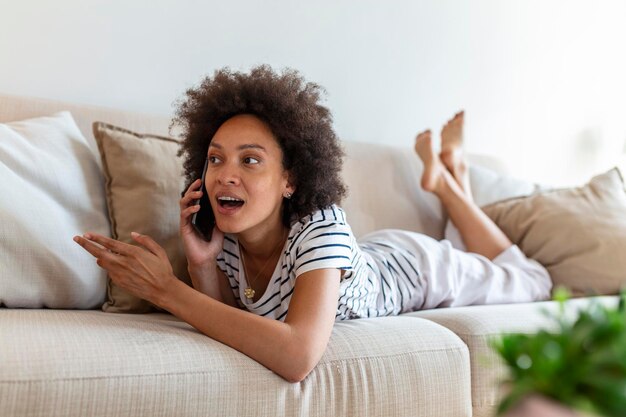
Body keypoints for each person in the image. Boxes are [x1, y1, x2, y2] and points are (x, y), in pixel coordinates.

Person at [73, 65, 551, 383]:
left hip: (415, 269)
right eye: (215, 158)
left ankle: (447, 185)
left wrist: (166, 290)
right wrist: (201, 264)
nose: (225, 173)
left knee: (534, 280)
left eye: (251, 160)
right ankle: (452, 175)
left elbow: (297, 356)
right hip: (369, 254)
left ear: (290, 180)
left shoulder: (321, 225)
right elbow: (225, 319)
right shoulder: (226, 237)